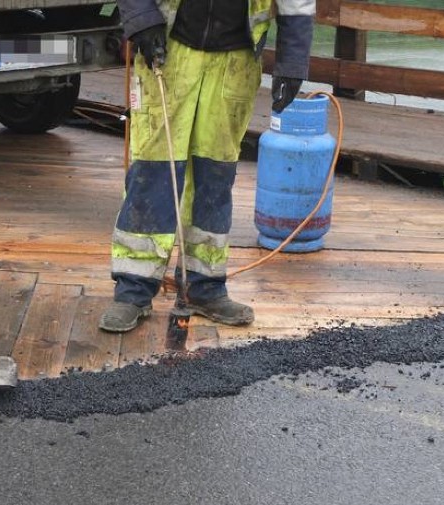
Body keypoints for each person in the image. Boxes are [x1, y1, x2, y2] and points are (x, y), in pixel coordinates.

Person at [99, 0, 315, 332]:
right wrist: (142, 20)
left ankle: (205, 287)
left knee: (215, 176)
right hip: (170, 51)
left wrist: (293, 63)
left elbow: (297, 5)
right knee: (153, 173)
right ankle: (133, 291)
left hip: (236, 62)